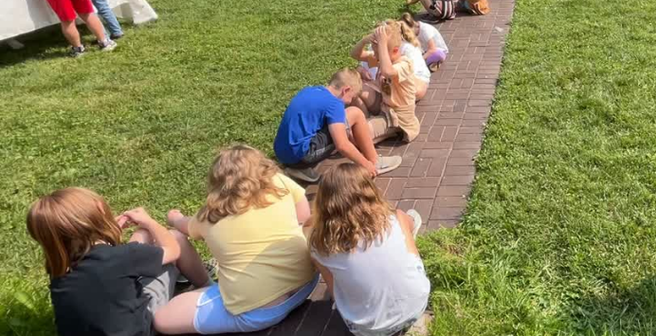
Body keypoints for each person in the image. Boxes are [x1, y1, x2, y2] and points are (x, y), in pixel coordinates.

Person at [158, 145, 319, 331]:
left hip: (259, 311)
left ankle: (205, 284)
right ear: (263, 166)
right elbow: (304, 216)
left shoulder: (211, 214)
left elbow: (185, 228)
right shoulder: (278, 181)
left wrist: (174, 217)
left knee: (163, 318)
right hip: (307, 283)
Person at [27, 187, 210, 336]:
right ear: (99, 211)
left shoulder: (58, 267)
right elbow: (173, 250)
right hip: (141, 330)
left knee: (141, 235)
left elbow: (107, 263)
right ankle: (208, 286)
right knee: (175, 237)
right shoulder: (122, 257)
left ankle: (181, 280)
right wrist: (149, 222)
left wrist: (108, 232)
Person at [306, 164, 430, 336]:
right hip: (416, 305)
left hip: (367, 329)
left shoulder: (319, 244)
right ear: (369, 191)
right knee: (404, 219)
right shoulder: (391, 218)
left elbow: (334, 291)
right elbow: (395, 216)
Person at [273, 69, 401, 184]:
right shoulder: (334, 103)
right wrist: (365, 164)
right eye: (352, 97)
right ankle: (374, 161)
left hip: (282, 152)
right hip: (301, 154)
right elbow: (342, 145)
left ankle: (299, 169)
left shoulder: (311, 90)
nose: (350, 101)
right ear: (345, 90)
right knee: (355, 113)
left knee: (344, 119)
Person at [350, 22, 421, 143]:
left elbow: (387, 71)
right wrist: (364, 41)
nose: (375, 56)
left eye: (377, 52)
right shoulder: (382, 57)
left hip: (397, 118)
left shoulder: (405, 64)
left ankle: (380, 130)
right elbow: (355, 54)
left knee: (354, 135)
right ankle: (367, 121)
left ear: (395, 50)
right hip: (384, 106)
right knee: (355, 88)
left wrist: (382, 43)